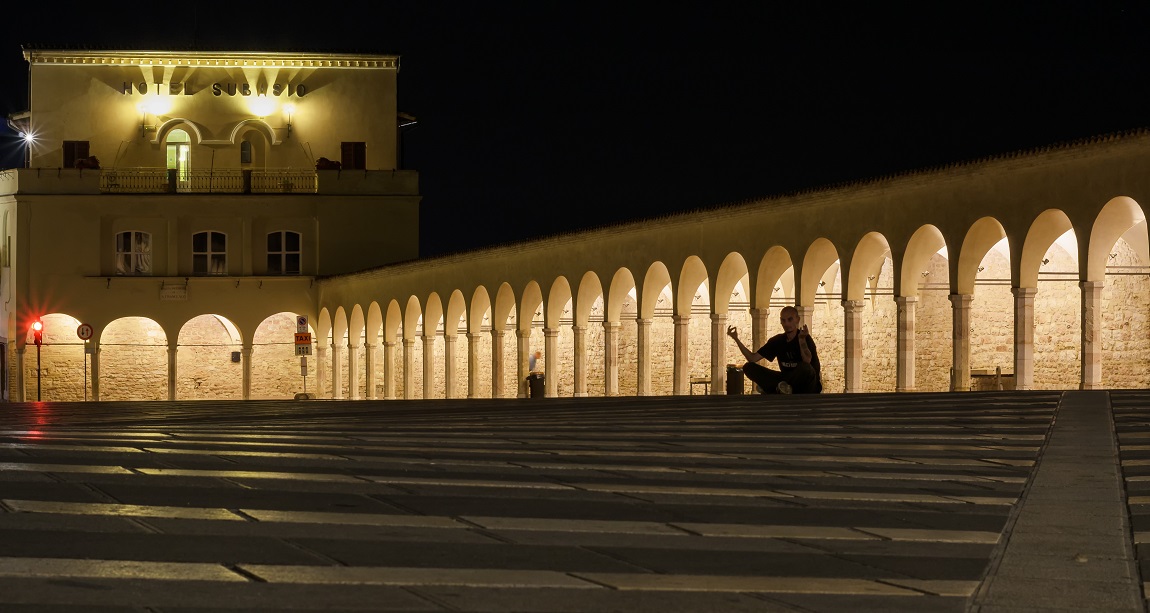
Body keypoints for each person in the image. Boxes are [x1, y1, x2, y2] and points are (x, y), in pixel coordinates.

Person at [726, 306, 822, 394]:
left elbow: (807, 361)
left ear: (797, 319)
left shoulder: (805, 338)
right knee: (748, 367)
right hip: (785, 381)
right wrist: (736, 339)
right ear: (780, 321)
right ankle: (780, 388)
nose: (787, 324)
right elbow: (752, 358)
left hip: (806, 385)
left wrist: (801, 340)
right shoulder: (778, 341)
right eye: (783, 320)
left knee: (806, 368)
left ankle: (774, 388)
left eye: (790, 319)